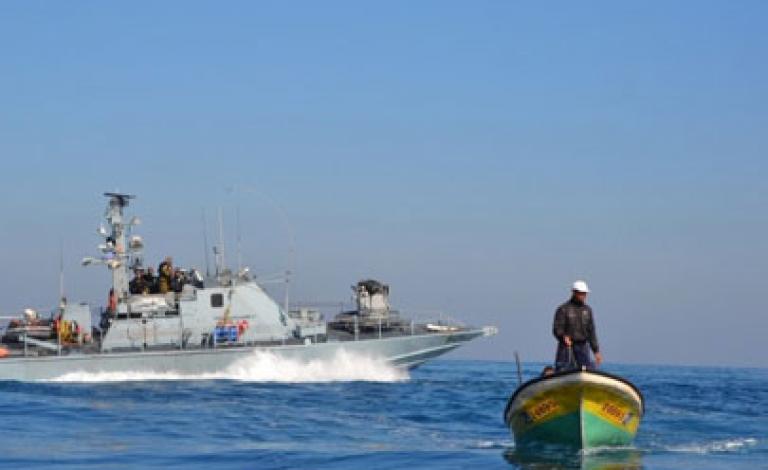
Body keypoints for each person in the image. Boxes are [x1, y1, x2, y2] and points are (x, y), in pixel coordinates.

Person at [553, 280, 602, 371]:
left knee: (587, 370)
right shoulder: (563, 309)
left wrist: (596, 351)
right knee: (563, 369)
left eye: (585, 293)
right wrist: (563, 337)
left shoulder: (588, 310)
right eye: (581, 293)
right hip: (566, 347)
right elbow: (557, 328)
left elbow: (591, 332)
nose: (584, 296)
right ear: (574, 292)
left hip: (582, 347)